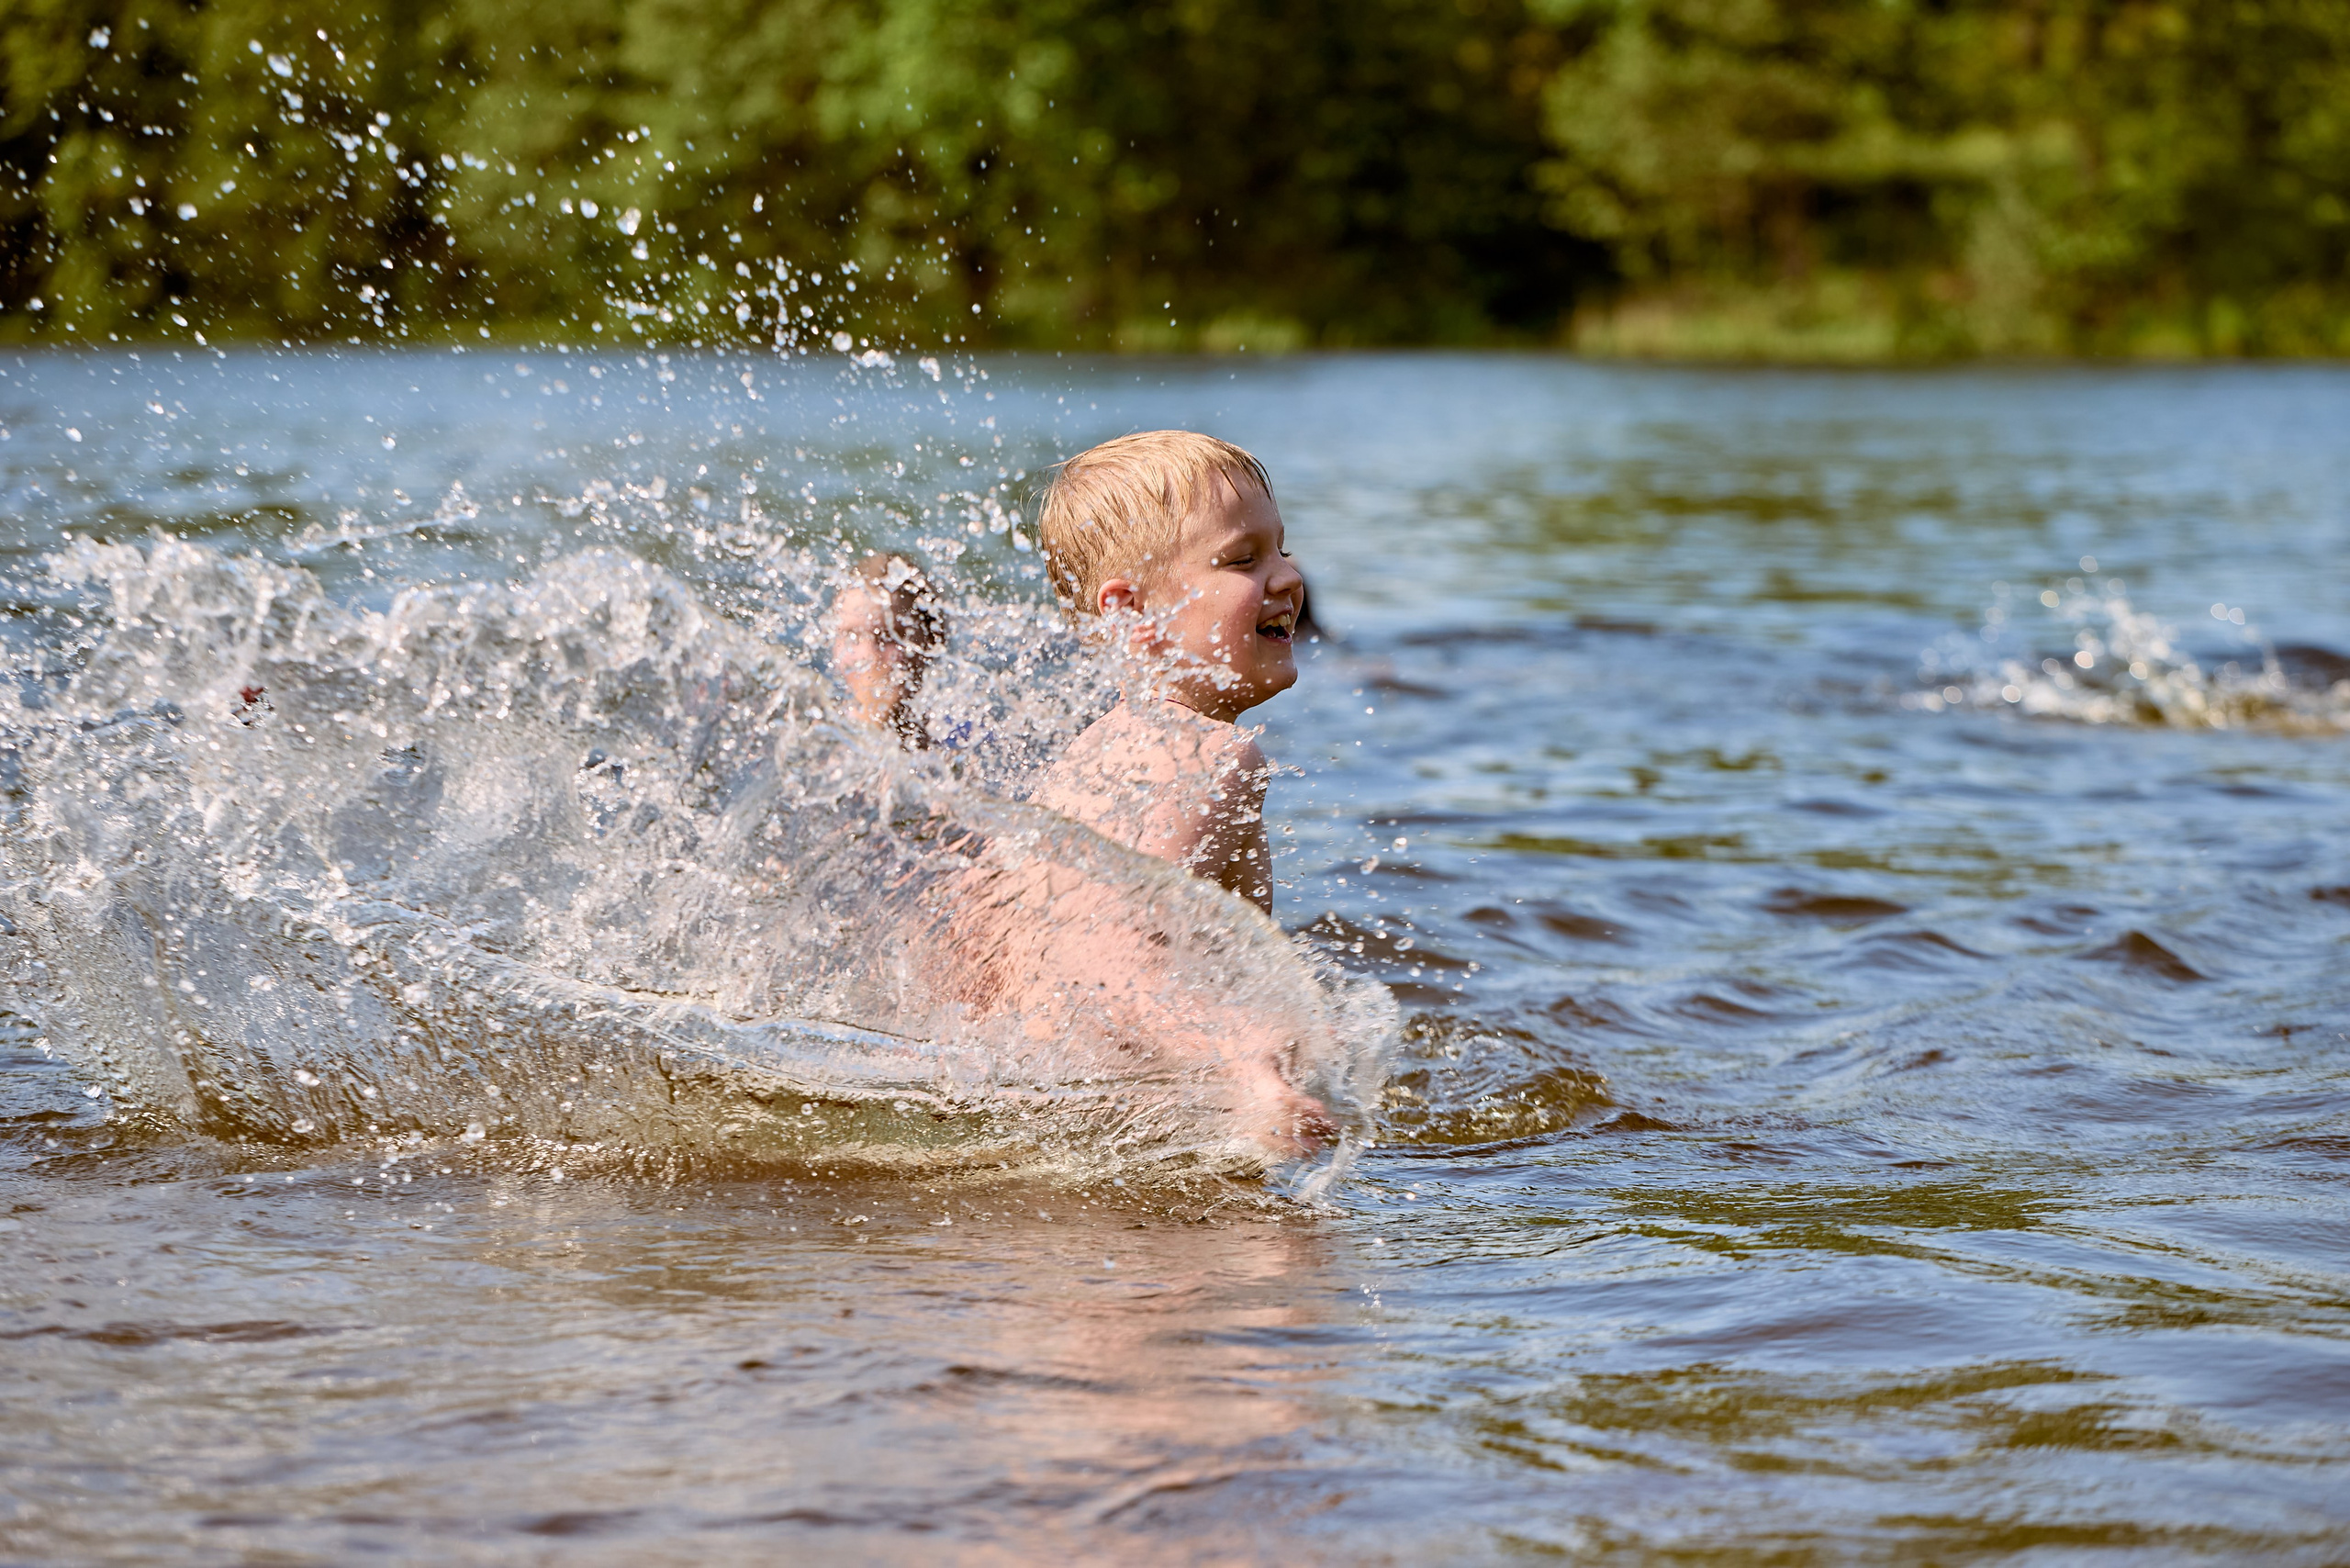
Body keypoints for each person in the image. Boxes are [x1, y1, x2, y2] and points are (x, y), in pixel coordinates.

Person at [828, 432, 1334, 1159]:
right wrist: (1248, 1064)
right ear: (1131, 613)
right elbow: (1110, 959)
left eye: (1281, 548)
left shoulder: (1094, 755)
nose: (1287, 577)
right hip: (1109, 1145)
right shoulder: (1212, 756)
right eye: (1242, 559)